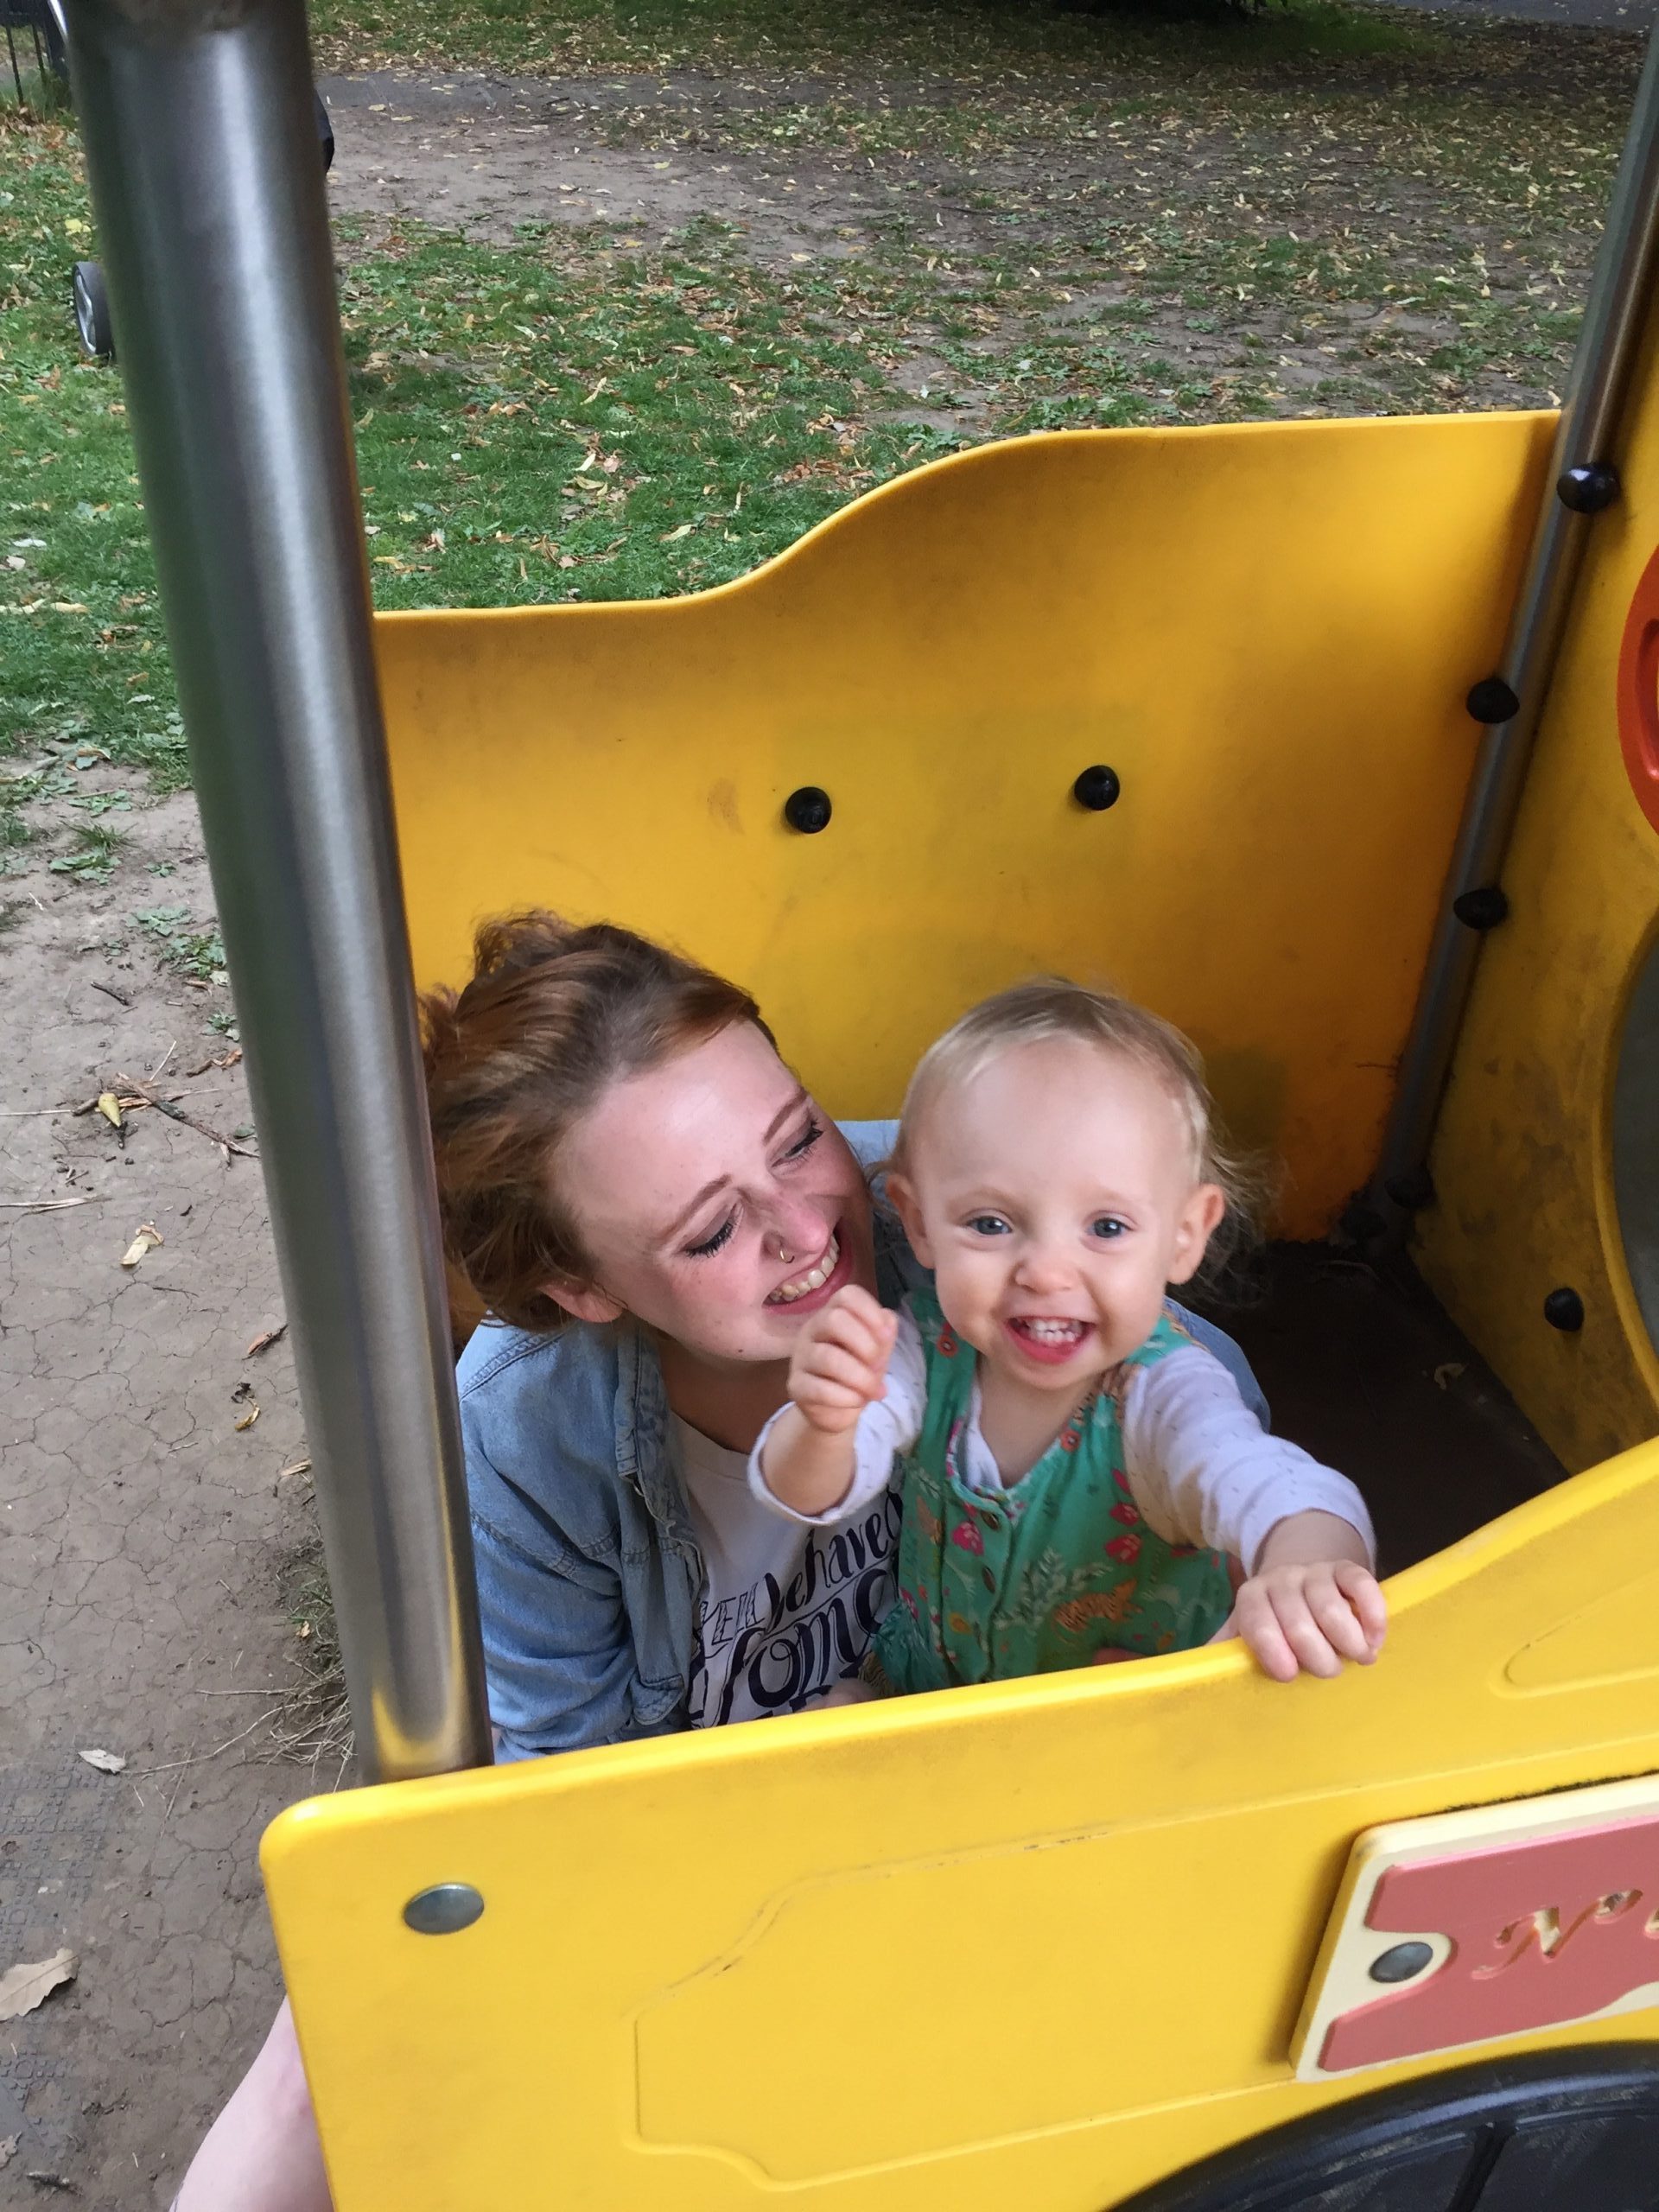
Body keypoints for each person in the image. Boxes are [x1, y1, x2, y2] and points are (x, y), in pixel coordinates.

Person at [172, 917, 1274, 2210]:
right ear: (586, 1287)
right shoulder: (527, 1427)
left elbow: (1184, 1416)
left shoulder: (951, 1225)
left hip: (988, 1799)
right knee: (348, 2027)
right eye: (708, 1235)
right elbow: (564, 1802)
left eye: (799, 1134)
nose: (811, 1228)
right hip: (711, 1845)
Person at [753, 978, 1386, 1692]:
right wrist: (822, 1422)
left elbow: (1280, 1488)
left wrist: (1303, 1569)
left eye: (1106, 1228)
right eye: (991, 1223)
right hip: (934, 1693)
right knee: (829, 1711)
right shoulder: (920, 1351)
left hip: (1114, 1734)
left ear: (1185, 1236)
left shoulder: (1163, 1395)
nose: (1047, 1272)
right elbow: (806, 1493)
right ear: (920, 1221)